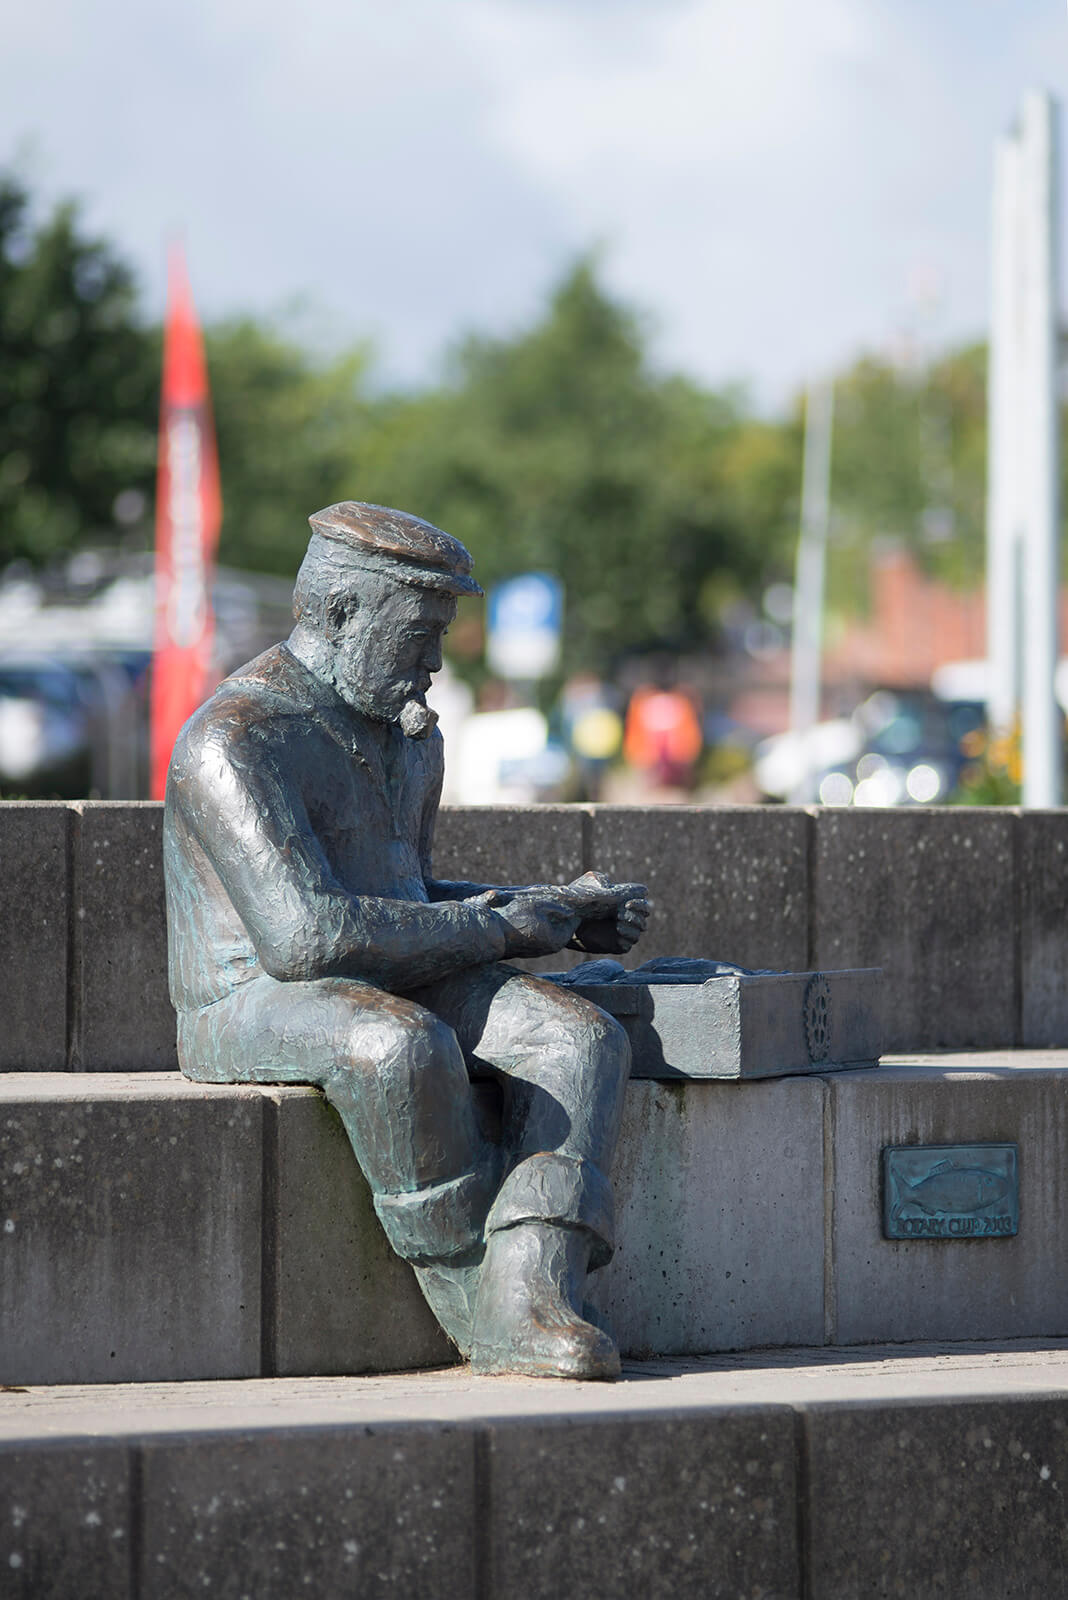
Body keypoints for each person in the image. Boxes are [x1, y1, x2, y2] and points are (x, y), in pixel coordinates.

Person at [163, 501, 650, 1380]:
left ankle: (531, 1289)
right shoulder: (234, 742)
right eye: (419, 632)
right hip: (249, 996)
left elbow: (407, 900)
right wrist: (500, 927)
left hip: (375, 964)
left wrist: (554, 911)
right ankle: (473, 1289)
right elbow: (305, 937)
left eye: (442, 634)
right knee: (400, 1046)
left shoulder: (406, 737)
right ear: (340, 613)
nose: (432, 661)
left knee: (578, 1037)